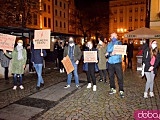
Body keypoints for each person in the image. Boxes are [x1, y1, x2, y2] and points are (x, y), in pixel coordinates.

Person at [106, 32, 124, 98]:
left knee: (120, 77)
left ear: (117, 36)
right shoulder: (109, 44)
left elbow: (119, 50)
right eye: (112, 36)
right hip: (110, 62)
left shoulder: (119, 43)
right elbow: (107, 53)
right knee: (111, 77)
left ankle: (121, 90)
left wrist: (110, 53)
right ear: (110, 37)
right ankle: (112, 88)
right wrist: (110, 53)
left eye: (114, 36)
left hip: (117, 62)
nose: (113, 37)